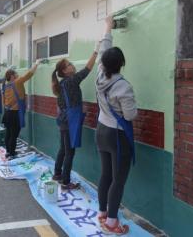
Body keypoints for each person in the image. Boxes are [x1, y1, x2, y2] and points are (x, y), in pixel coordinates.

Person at [95, 16, 137, 235]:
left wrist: (108, 28)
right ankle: (112, 223)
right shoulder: (123, 86)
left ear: (104, 63)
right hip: (117, 136)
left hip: (100, 131)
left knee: (105, 175)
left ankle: (102, 213)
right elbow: (130, 115)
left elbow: (105, 48)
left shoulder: (100, 76)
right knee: (118, 180)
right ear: (121, 64)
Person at [51, 50, 99, 190]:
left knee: (63, 149)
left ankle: (57, 174)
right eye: (69, 64)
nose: (72, 65)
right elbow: (87, 70)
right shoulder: (71, 81)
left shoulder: (62, 84)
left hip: (63, 121)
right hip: (69, 123)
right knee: (69, 152)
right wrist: (95, 52)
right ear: (65, 71)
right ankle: (66, 182)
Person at [2, 60, 40, 159]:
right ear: (12, 76)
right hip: (15, 113)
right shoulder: (17, 82)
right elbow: (29, 74)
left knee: (8, 133)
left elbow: (3, 100)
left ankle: (8, 152)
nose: (18, 75)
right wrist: (36, 64)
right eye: (16, 74)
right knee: (14, 134)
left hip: (7, 112)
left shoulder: (5, 86)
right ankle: (12, 153)